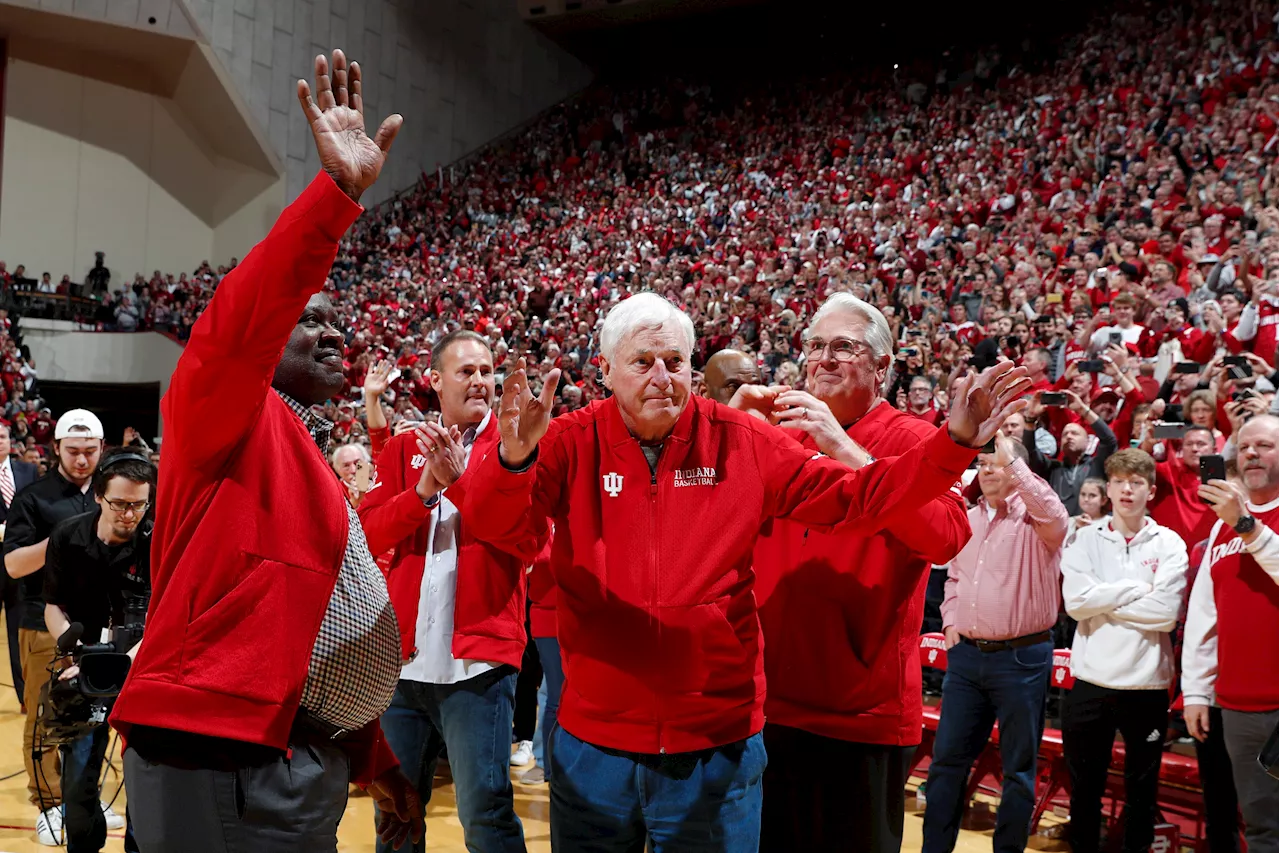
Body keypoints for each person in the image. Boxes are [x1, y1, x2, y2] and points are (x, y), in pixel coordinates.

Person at [453, 292, 1029, 853]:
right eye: (643, 362)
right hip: (597, 739)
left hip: (720, 740)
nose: (661, 376)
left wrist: (952, 444)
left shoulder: (743, 438)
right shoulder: (567, 439)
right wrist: (512, 464)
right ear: (605, 371)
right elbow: (502, 533)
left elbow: (856, 498)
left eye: (675, 362)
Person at [109, 49, 424, 853]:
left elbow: (314, 625)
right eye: (310, 319)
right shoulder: (221, 407)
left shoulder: (305, 451)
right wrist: (336, 198)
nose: (334, 333)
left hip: (288, 751)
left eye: (338, 322)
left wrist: (372, 757)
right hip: (218, 750)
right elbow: (246, 314)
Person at [749, 294, 970, 853]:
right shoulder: (778, 433)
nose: (823, 359)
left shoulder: (916, 439)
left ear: (882, 366)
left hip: (860, 713)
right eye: (815, 346)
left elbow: (945, 537)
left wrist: (844, 449)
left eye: (843, 347)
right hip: (767, 701)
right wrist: (739, 425)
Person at [357, 330, 528, 853]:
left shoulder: (515, 447)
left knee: (486, 814)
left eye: (486, 371)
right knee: (396, 813)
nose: (480, 381)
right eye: (466, 372)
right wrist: (425, 491)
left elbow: (525, 535)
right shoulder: (407, 447)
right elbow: (368, 533)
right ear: (435, 381)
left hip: (476, 669)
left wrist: (460, 483)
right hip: (402, 667)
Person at [922, 434, 1068, 853]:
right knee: (946, 764)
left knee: (1018, 771)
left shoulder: (1041, 520)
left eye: (997, 465)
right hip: (966, 658)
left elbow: (1052, 508)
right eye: (983, 465)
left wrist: (1012, 456)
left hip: (1022, 659)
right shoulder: (966, 517)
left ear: (1018, 472)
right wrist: (950, 619)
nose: (987, 472)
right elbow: (952, 578)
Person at [1061, 448, 1188, 853]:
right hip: (1090, 681)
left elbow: (1166, 614)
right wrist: (1136, 590)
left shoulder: (1169, 542)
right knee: (1084, 789)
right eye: (1119, 482)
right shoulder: (1083, 538)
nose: (1127, 490)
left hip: (1146, 685)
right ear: (1109, 488)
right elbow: (1075, 604)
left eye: (1136, 483)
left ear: (1150, 490)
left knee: (1141, 793)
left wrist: (1104, 599)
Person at [42, 448, 153, 853]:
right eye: (120, 504)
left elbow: (165, 617)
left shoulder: (158, 542)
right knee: (78, 783)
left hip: (142, 672)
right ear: (98, 497)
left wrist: (130, 661)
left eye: (139, 505)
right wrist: (70, 654)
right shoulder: (67, 536)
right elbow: (54, 606)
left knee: (145, 784)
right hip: (84, 671)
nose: (130, 514)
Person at [4, 408, 106, 845]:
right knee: (45, 715)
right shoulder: (33, 498)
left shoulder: (111, 494)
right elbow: (12, 565)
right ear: (56, 449)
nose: (82, 460)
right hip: (41, 619)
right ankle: (47, 802)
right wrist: (63, 538)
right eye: (73, 452)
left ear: (102, 450)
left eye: (89, 452)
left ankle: (83, 797)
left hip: (101, 625)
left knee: (95, 717)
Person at [1187, 414, 1280, 853]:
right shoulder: (1220, 525)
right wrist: (1195, 693)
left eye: (1264, 446)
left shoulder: (1238, 522)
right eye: (1244, 447)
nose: (1252, 454)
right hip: (1238, 707)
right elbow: (1204, 615)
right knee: (1262, 830)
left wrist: (1248, 526)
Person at [0, 421, 40, 703]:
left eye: (2, 436)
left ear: (10, 440)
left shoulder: (27, 471)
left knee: (19, 633)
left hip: (19, 562)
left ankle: (25, 695)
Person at [1023, 394, 1118, 515]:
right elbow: (1029, 451)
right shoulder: (1051, 468)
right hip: (1059, 529)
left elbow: (1109, 441)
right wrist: (1030, 418)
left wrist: (1082, 409)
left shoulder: (1098, 465)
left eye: (1075, 433)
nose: (1069, 436)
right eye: (1065, 434)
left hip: (1092, 526)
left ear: (1087, 441)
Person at [1149, 425, 1218, 553]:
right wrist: (1147, 445)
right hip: (1168, 556)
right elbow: (1136, 466)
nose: (1194, 449)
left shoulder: (1227, 481)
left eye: (1201, 444)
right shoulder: (1166, 472)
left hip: (1209, 557)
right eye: (1189, 444)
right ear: (1182, 449)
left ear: (1214, 449)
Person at [332, 442, 372, 507]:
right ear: (337, 470)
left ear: (366, 462)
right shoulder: (334, 494)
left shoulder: (379, 481)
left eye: (357, 462)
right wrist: (354, 503)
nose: (353, 470)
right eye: (346, 466)